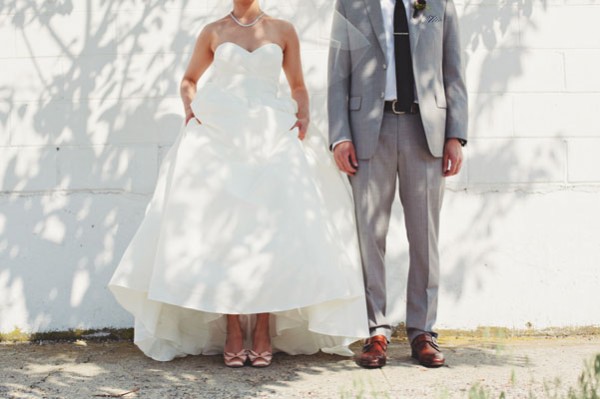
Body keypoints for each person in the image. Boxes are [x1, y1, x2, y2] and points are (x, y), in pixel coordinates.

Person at [109, 0, 369, 368]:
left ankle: (262, 328)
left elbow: (297, 86)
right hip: (220, 133)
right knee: (224, 231)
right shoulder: (213, 31)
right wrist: (192, 111)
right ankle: (234, 328)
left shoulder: (282, 30)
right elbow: (189, 81)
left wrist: (304, 115)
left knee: (271, 229)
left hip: (272, 134)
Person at [328, 0, 468, 368]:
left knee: (424, 236)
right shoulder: (351, 5)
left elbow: (453, 70)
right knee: (370, 237)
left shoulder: (437, 4)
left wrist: (456, 134)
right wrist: (340, 136)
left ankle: (423, 331)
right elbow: (337, 72)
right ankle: (376, 331)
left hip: (427, 132)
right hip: (368, 130)